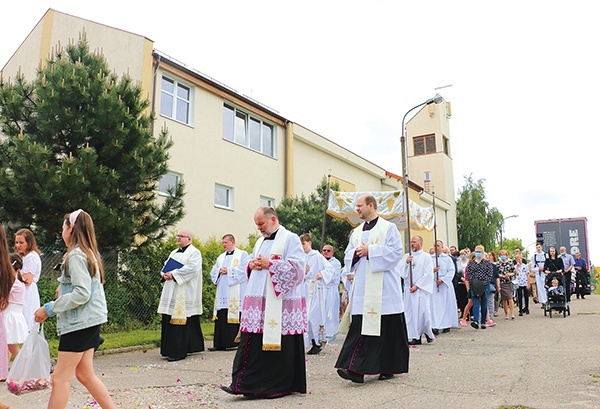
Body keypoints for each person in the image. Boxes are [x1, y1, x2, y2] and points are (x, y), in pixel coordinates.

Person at [221, 206, 307, 399]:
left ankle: (275, 386)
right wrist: (251, 265)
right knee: (251, 342)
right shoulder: (259, 241)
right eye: (257, 224)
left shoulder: (290, 238)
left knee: (275, 345)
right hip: (258, 302)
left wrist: (272, 264)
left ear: (273, 219)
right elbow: (250, 264)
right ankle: (245, 385)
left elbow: (299, 269)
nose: (259, 228)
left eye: (261, 223)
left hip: (279, 304)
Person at [34, 209, 115, 409]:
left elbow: (82, 293)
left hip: (79, 324)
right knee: (85, 374)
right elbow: (84, 287)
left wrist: (49, 309)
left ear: (70, 228)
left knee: (60, 379)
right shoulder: (88, 253)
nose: (61, 230)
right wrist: (62, 288)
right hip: (90, 320)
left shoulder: (77, 255)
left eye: (63, 226)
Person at [336, 194, 408, 383]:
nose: (357, 209)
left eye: (359, 206)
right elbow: (347, 255)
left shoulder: (389, 228)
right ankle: (355, 369)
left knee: (387, 327)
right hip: (363, 288)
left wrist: (372, 251)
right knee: (361, 327)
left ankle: (388, 367)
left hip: (384, 287)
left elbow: (395, 253)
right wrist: (357, 253)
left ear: (371, 205)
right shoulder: (357, 231)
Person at [158, 229, 204, 362]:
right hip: (171, 288)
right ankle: (168, 349)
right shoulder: (173, 252)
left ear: (189, 239)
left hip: (184, 291)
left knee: (181, 320)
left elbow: (193, 269)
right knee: (168, 318)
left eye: (181, 236)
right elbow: (165, 266)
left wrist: (174, 274)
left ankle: (178, 352)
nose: (178, 238)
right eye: (177, 236)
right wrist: (164, 274)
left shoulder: (194, 252)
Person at [209, 234, 248, 351]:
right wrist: (219, 271)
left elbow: (245, 269)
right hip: (222, 290)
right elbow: (214, 270)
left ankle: (233, 343)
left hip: (236, 290)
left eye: (225, 242)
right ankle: (219, 343)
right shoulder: (220, 257)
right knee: (221, 315)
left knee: (234, 313)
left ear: (232, 242)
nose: (223, 245)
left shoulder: (242, 254)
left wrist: (230, 270)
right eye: (223, 243)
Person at [301, 233, 334, 355]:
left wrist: (322, 274)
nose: (302, 246)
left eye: (304, 243)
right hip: (305, 288)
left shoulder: (317, 256)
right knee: (305, 317)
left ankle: (318, 342)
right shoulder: (301, 257)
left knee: (313, 317)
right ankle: (311, 341)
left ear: (309, 242)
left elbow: (330, 269)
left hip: (316, 288)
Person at [400, 235, 434, 345]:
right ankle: (415, 336)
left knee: (423, 313)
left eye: (414, 242)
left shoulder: (426, 257)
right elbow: (400, 271)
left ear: (420, 243)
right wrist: (406, 262)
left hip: (421, 289)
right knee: (411, 313)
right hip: (409, 289)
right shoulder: (407, 256)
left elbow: (427, 274)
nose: (412, 244)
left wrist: (417, 285)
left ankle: (428, 333)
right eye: (411, 242)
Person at [14, 228, 42, 331]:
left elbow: (27, 280)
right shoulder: (24, 257)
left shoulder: (31, 257)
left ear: (29, 243)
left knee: (28, 324)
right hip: (25, 292)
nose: (18, 245)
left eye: (21, 242)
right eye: (16, 242)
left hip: (28, 293)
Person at [431, 240, 458, 334]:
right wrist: (433, 271)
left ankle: (446, 324)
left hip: (444, 285)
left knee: (446, 305)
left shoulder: (447, 259)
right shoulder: (430, 258)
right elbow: (426, 271)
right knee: (435, 306)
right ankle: (435, 325)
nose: (436, 247)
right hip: (434, 285)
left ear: (442, 247)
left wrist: (442, 280)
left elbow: (451, 271)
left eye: (438, 245)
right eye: (434, 245)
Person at [6, 253, 28, 359]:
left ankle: (28, 366)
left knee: (12, 347)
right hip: (12, 315)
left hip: (10, 316)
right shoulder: (17, 280)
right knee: (9, 346)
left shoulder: (13, 281)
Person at [466, 245, 493, 329]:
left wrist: (483, 283)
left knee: (484, 304)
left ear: (483, 252)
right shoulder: (471, 263)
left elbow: (489, 275)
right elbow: (469, 274)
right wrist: (473, 283)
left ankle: (483, 321)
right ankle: (476, 321)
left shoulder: (487, 263)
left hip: (484, 286)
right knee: (475, 303)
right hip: (474, 285)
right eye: (476, 252)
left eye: (479, 252)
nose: (478, 253)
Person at [320, 244, 342, 341]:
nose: (326, 252)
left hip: (331, 291)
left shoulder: (336, 263)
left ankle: (330, 333)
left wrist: (322, 274)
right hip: (320, 290)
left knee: (330, 311)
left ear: (332, 252)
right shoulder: (319, 260)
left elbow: (332, 277)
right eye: (324, 250)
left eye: (328, 250)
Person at [497, 250, 516, 320]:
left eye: (504, 254)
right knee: (504, 299)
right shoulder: (498, 264)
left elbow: (514, 272)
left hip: (509, 282)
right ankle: (506, 314)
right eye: (501, 254)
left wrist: (509, 274)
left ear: (507, 255)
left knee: (510, 298)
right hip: (502, 282)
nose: (503, 256)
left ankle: (512, 313)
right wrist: (502, 276)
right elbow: (497, 274)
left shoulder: (510, 262)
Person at [455, 250, 470, 326]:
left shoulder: (469, 262)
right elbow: (456, 273)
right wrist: (461, 278)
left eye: (464, 254)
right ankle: (463, 314)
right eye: (461, 254)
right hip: (460, 283)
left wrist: (467, 279)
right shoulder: (457, 263)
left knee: (469, 299)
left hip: (468, 283)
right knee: (461, 299)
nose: (462, 255)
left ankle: (471, 314)